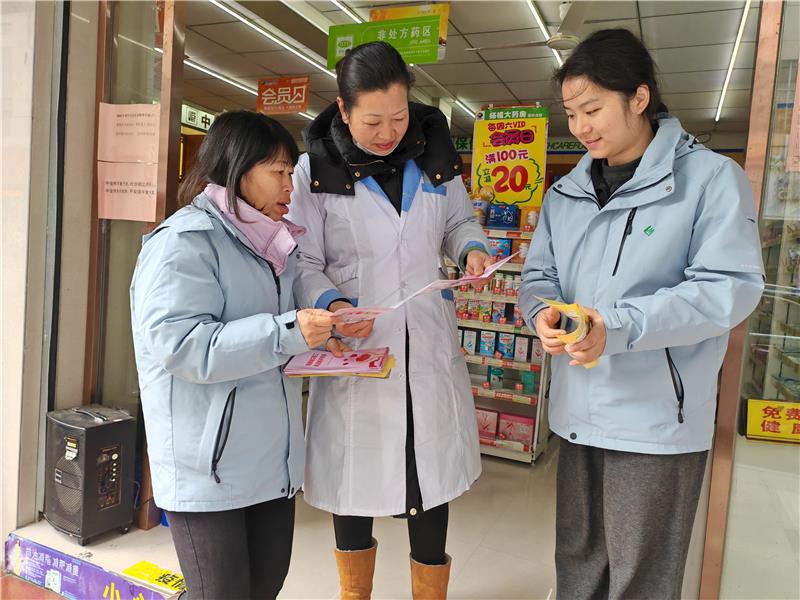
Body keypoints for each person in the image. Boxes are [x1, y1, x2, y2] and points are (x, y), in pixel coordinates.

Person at [519, 29, 765, 600]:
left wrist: (618, 326)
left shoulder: (709, 180)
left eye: (592, 109)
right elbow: (538, 278)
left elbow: (728, 289)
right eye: (571, 114)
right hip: (576, 411)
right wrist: (542, 315)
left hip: (656, 419)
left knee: (641, 578)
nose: (580, 127)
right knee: (578, 566)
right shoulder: (565, 194)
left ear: (639, 97)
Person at [289, 41, 493, 599]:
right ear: (343, 108)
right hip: (358, 351)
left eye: (399, 117)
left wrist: (472, 249)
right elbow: (301, 261)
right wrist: (333, 306)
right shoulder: (314, 171)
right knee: (353, 486)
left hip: (425, 345)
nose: (388, 133)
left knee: (428, 483)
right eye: (373, 121)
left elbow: (459, 221)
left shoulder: (434, 157)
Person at [130, 111, 336, 600]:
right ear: (239, 170)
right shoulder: (186, 241)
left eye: (292, 172)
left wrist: (321, 334)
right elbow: (181, 344)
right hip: (210, 466)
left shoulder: (273, 243)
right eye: (278, 171)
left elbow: (270, 337)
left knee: (265, 585)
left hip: (270, 459)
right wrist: (289, 332)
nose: (290, 186)